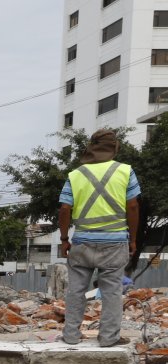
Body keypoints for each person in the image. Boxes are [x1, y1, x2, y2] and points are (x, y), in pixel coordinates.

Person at [59, 129, 140, 348]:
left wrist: (65, 239)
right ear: (114, 147)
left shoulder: (75, 175)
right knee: (112, 291)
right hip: (115, 242)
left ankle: (71, 336)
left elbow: (65, 209)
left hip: (82, 242)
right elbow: (133, 206)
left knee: (76, 289)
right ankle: (108, 338)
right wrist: (133, 239)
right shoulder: (125, 171)